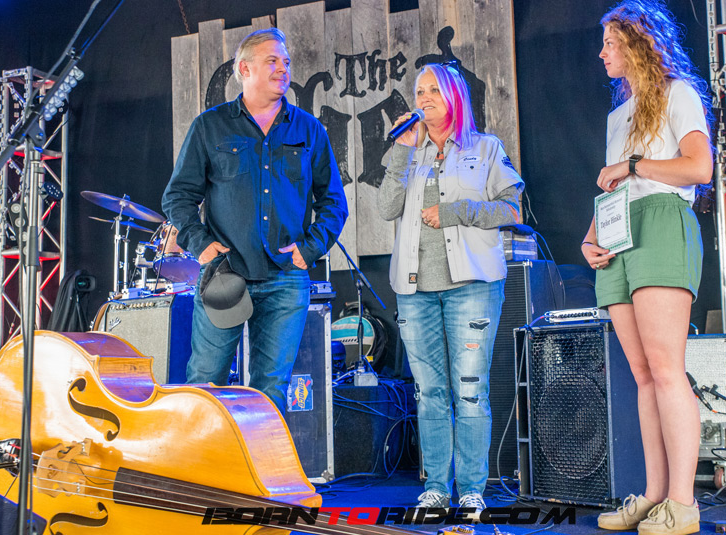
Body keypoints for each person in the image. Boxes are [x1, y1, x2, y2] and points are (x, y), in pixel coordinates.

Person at [161, 28, 347, 414]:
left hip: (286, 279)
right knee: (205, 382)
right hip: (225, 275)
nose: (283, 69)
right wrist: (200, 243)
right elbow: (177, 197)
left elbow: (333, 202)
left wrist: (311, 247)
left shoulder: (309, 130)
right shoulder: (209, 126)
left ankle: (258, 457)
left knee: (271, 389)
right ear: (244, 69)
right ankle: (204, 457)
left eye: (286, 62)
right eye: (272, 61)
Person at [581, 2, 713, 534]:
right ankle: (655, 496)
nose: (602, 53)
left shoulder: (678, 93)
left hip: (662, 221)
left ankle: (683, 503)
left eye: (610, 43)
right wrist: (591, 235)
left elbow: (699, 167)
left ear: (638, 44)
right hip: (619, 231)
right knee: (641, 375)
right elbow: (618, 187)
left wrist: (633, 164)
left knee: (665, 368)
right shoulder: (618, 116)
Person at [379, 63, 524, 514]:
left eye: (433, 91)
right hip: (414, 289)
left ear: (454, 96)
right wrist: (401, 152)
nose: (424, 99)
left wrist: (457, 211)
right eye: (419, 92)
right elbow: (386, 208)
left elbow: (512, 209)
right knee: (429, 392)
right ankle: (437, 487)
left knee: (470, 390)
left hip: (472, 287)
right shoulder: (409, 151)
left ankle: (472, 489)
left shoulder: (485, 147)